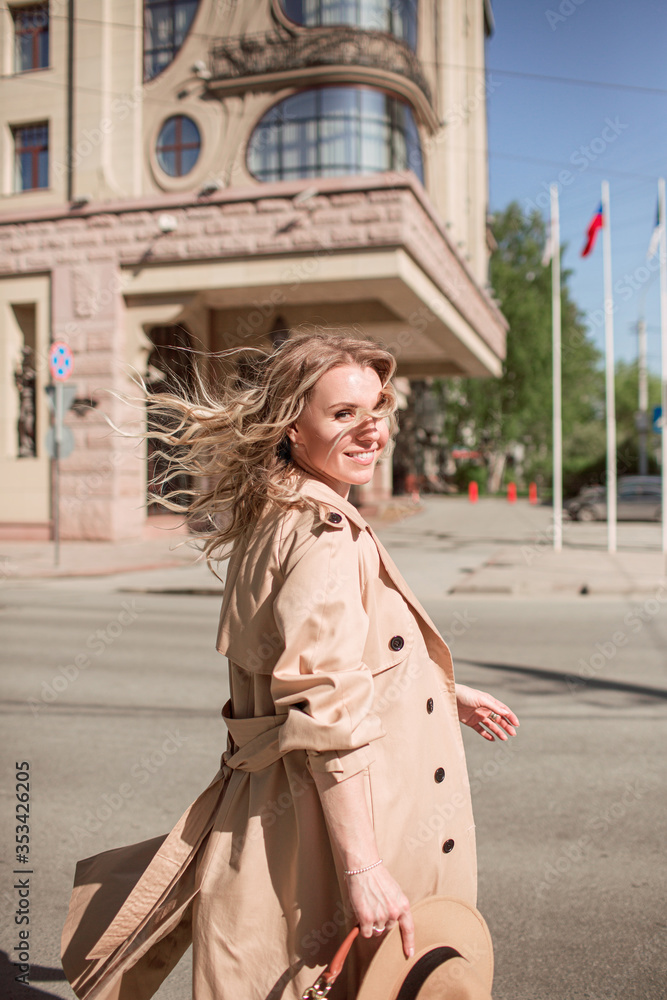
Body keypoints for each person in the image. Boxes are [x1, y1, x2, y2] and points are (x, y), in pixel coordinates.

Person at [61, 331, 518, 1000]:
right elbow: (323, 708)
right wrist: (361, 867)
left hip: (278, 806)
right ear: (291, 427)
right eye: (342, 415)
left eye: (377, 409)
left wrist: (444, 691)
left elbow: (332, 662)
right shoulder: (322, 533)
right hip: (329, 823)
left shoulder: (274, 510)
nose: (371, 432)